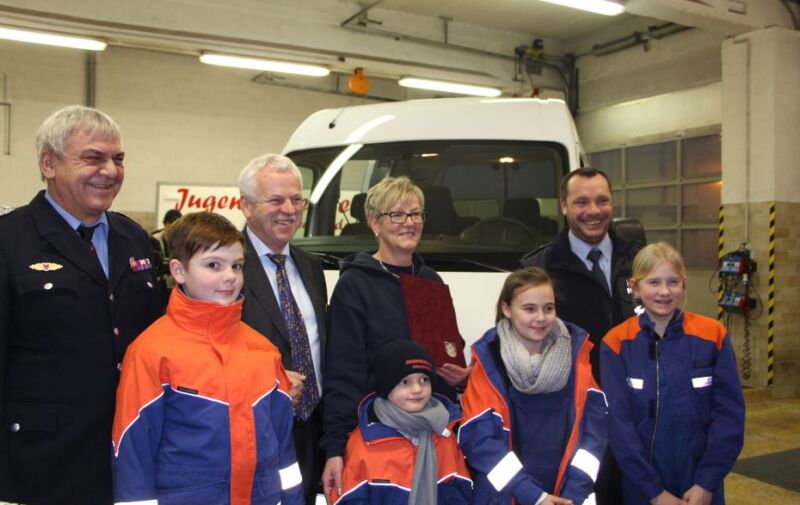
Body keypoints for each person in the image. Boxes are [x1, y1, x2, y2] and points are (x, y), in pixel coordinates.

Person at [0, 105, 162, 504]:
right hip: (40, 464)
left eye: (117, 159)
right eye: (93, 158)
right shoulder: (9, 240)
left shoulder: (135, 239)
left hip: (128, 453)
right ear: (48, 163)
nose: (110, 170)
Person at [112, 211, 303, 505]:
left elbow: (284, 453)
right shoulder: (151, 352)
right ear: (178, 271)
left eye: (237, 266)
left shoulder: (263, 351)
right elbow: (133, 455)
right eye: (213, 265)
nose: (229, 276)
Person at [320, 176, 472, 502]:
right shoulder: (355, 285)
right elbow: (342, 372)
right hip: (379, 442)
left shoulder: (430, 280)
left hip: (434, 437)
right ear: (375, 222)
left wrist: (462, 378)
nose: (410, 223)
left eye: (416, 214)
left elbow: (449, 349)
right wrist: (335, 447)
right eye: (397, 215)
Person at [520, 167, 639, 505]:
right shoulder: (539, 268)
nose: (593, 211)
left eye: (602, 200)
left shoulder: (638, 261)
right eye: (581, 201)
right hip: (573, 413)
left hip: (634, 409)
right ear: (563, 206)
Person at [600, 243, 745, 505]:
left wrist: (706, 483)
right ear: (634, 286)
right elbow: (617, 424)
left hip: (701, 482)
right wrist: (653, 492)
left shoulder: (712, 336)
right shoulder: (616, 343)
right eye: (653, 282)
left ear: (684, 284)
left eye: (673, 282)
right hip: (642, 484)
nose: (664, 291)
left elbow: (730, 415)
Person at [459, 266, 608, 505]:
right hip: (507, 496)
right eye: (529, 309)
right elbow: (479, 441)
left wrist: (573, 494)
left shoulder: (577, 357)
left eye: (548, 308)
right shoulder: (489, 362)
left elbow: (594, 438)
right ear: (506, 309)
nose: (540, 317)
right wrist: (534, 496)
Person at [239, 154, 328, 505]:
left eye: (296, 199)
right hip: (255, 430)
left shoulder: (310, 265)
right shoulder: (226, 266)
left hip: (312, 430)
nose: (288, 210)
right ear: (245, 206)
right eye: (275, 200)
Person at [331, 340, 472, 504]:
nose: (417, 389)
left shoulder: (445, 433)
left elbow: (461, 494)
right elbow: (348, 499)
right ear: (386, 386)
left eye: (424, 380)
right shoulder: (365, 442)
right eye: (405, 382)